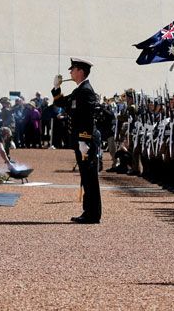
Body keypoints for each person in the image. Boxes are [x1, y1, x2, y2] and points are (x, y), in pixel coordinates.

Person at [52, 58, 101, 224]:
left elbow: (87, 118)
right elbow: (62, 104)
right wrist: (57, 88)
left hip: (85, 140)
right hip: (82, 140)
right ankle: (89, 212)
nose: (70, 72)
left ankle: (92, 214)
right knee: (86, 176)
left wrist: (84, 140)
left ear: (81, 71)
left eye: (73, 69)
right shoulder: (79, 90)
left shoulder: (86, 91)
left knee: (89, 177)